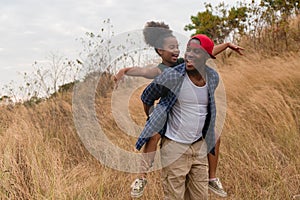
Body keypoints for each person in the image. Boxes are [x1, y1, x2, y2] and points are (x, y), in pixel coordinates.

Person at [113, 21, 244, 198]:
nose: (177, 51)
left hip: (195, 142)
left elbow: (208, 51)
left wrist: (227, 44)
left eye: (177, 47)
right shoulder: (162, 71)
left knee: (215, 134)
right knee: (154, 135)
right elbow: (143, 76)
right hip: (170, 128)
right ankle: (142, 176)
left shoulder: (194, 66)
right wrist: (125, 70)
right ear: (160, 51)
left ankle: (212, 178)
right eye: (171, 48)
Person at [136, 34, 221, 199]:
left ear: (206, 56)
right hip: (174, 147)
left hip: (198, 147)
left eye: (196, 52)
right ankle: (141, 177)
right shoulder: (172, 76)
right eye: (188, 50)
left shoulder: (212, 78)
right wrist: (153, 119)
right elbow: (147, 96)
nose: (189, 54)